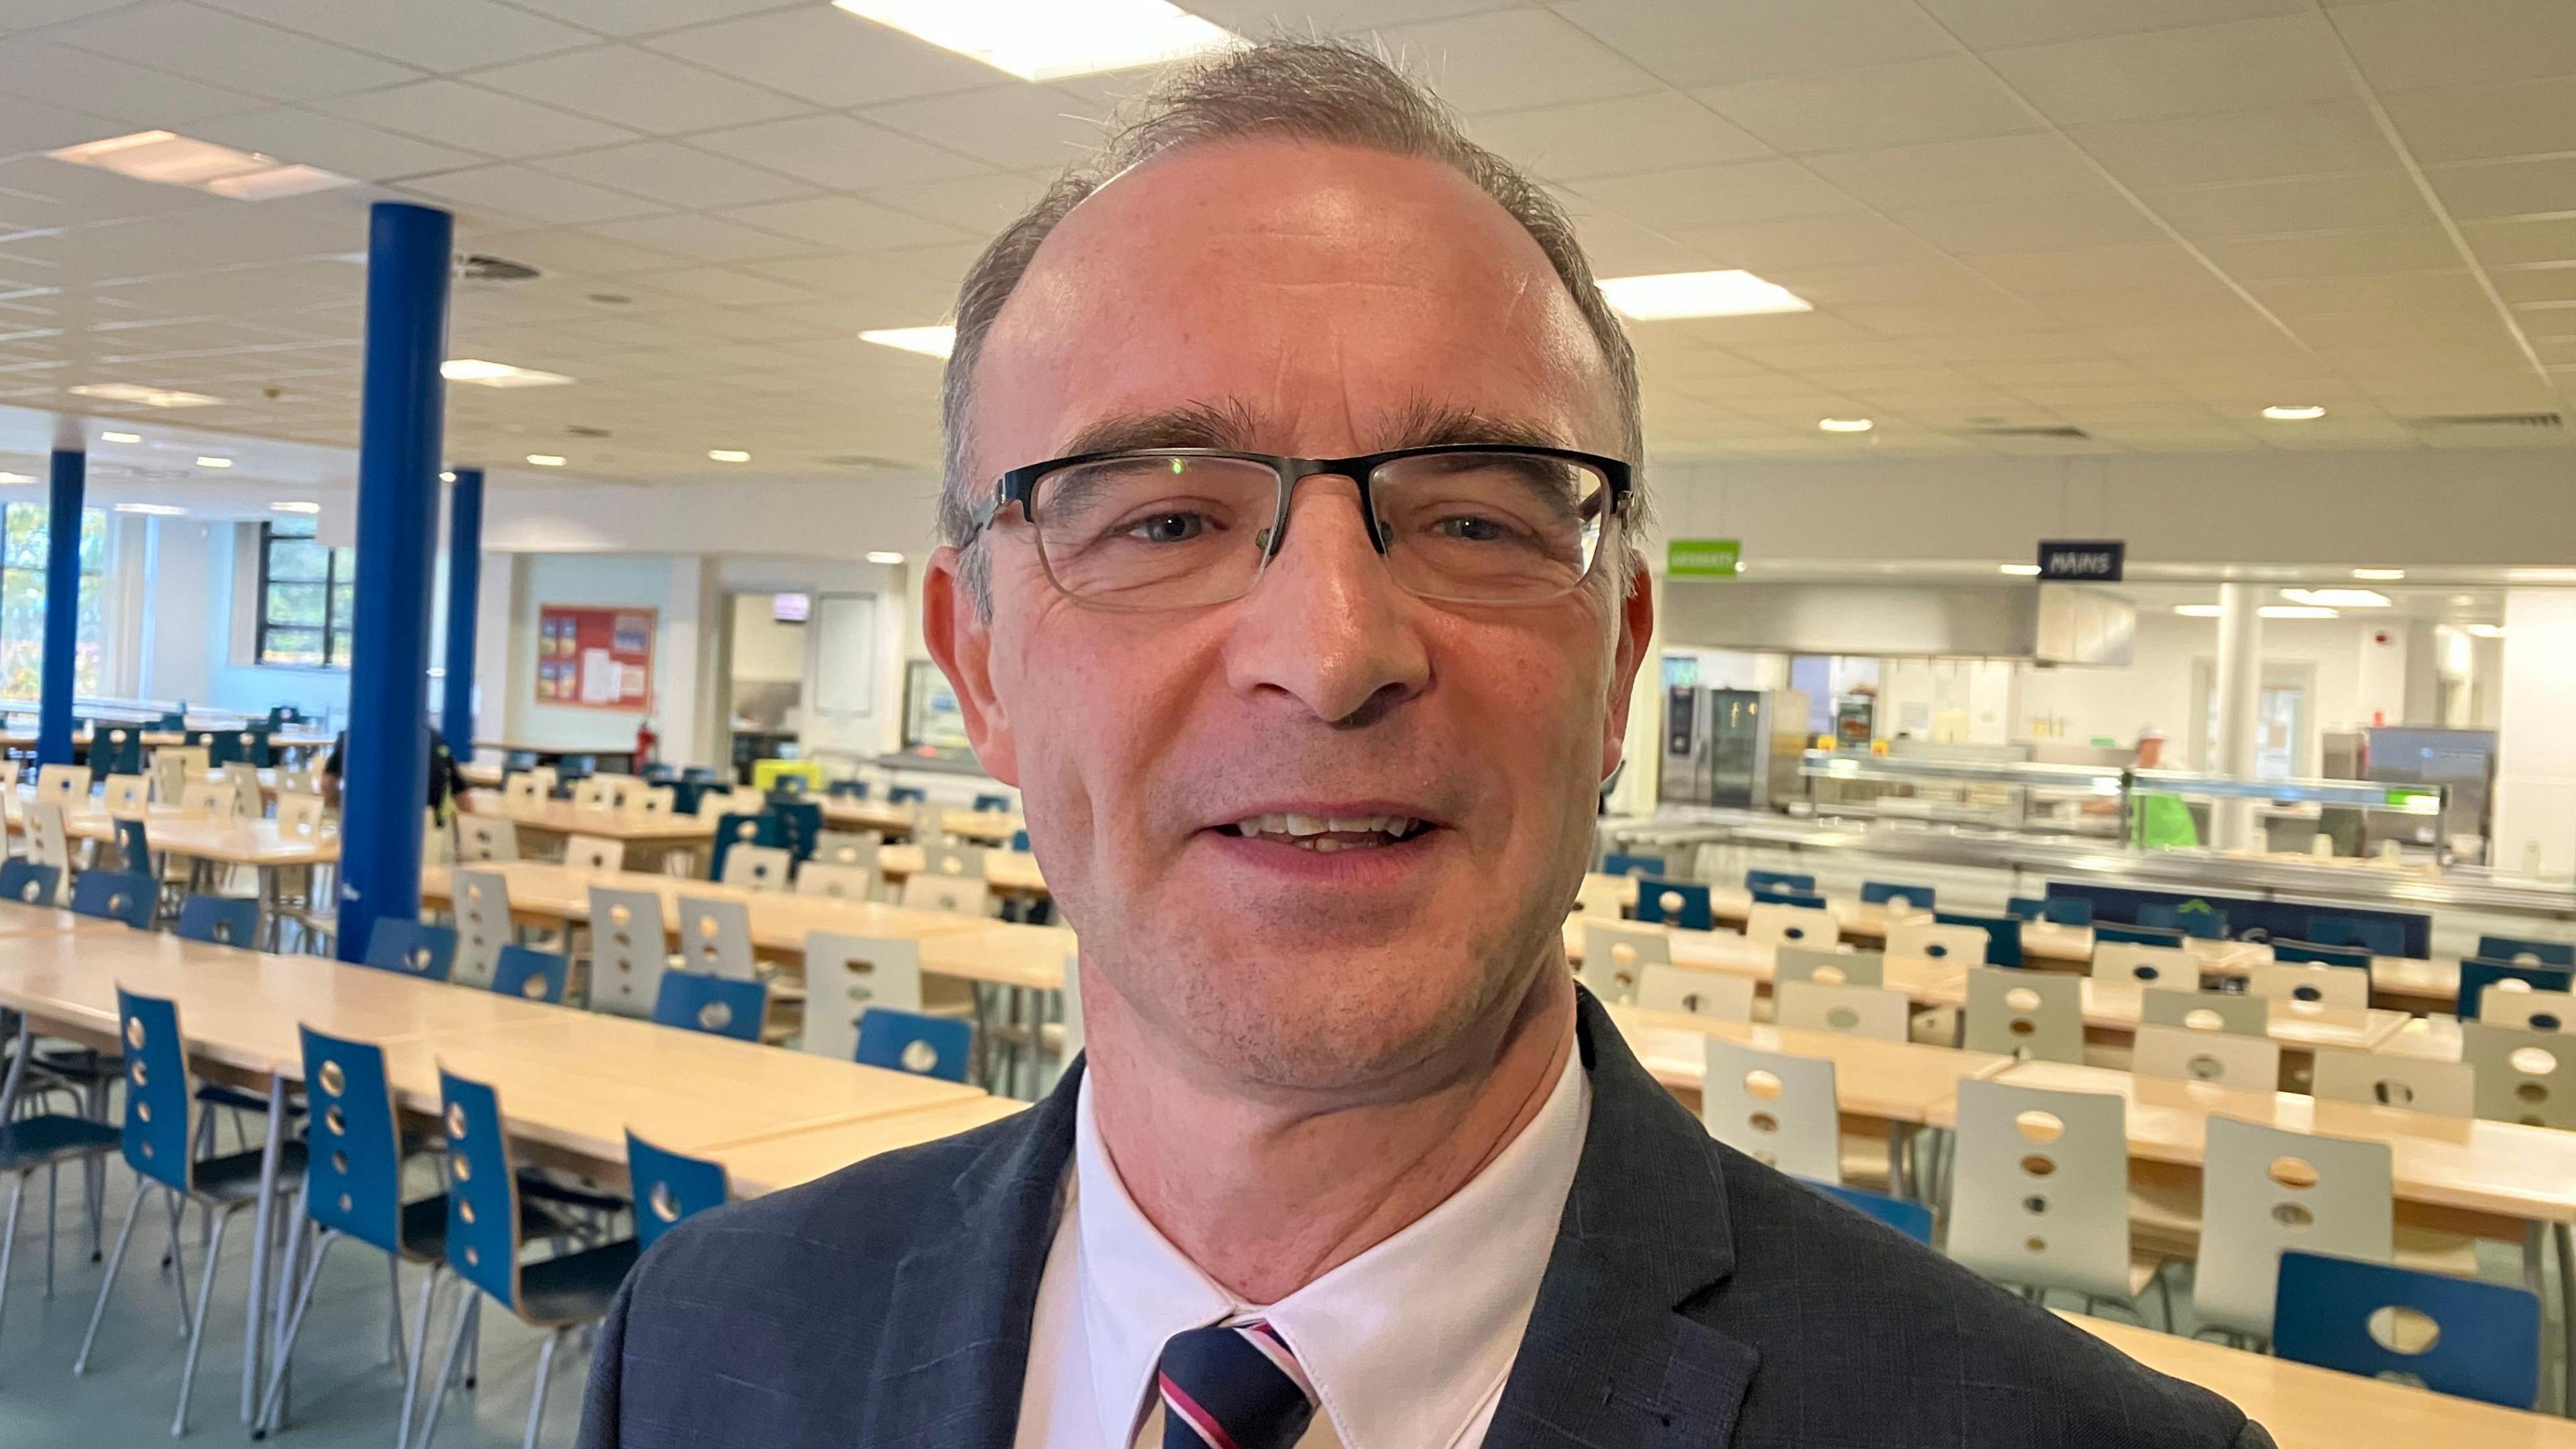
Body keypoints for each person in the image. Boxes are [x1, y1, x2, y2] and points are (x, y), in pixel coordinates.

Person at [580, 40, 2269, 1449]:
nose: (1329, 656)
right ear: (980, 668)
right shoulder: (707, 1346)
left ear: (1615, 662)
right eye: (1163, 518)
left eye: (1473, 519)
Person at [317, 723, 466, 824]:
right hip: (427, 826)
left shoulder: (354, 735)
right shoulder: (434, 738)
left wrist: (338, 812)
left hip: (364, 822)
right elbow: (462, 795)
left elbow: (328, 782)